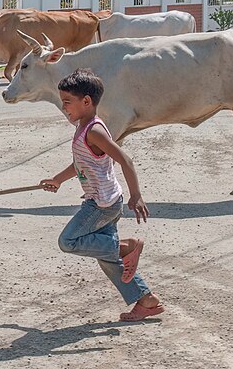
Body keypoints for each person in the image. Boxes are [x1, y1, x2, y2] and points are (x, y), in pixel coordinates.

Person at [40, 68, 163, 322]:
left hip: (102, 204)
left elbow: (125, 160)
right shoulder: (85, 127)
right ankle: (147, 301)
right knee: (107, 257)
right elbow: (81, 164)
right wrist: (58, 180)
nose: (64, 108)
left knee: (69, 241)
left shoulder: (94, 131)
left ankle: (127, 246)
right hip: (106, 201)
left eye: (67, 102)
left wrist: (136, 195)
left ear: (86, 101)